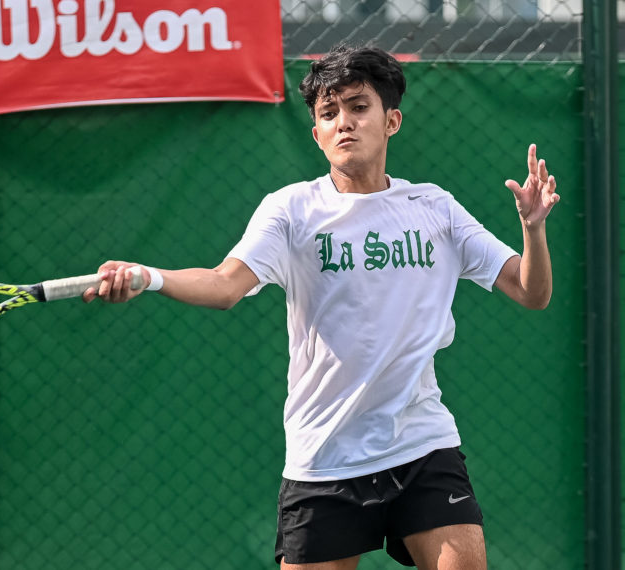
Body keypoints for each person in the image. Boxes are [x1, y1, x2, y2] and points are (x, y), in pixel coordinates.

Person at [82, 44, 559, 570]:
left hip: (422, 445)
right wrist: (149, 277)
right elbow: (223, 284)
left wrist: (533, 229)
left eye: (358, 107)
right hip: (325, 459)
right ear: (316, 134)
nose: (344, 124)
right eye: (329, 114)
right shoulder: (292, 211)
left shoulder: (435, 209)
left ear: (392, 120)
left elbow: (531, 291)